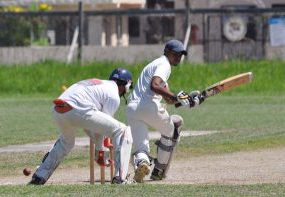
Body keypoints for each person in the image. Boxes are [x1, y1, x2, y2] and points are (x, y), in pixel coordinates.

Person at [29, 68, 134, 185]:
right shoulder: (113, 95)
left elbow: (94, 126)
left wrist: (99, 151)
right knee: (123, 131)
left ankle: (39, 176)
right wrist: (100, 152)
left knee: (66, 143)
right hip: (79, 108)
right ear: (126, 85)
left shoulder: (102, 85)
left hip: (59, 109)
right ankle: (120, 179)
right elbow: (102, 130)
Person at [126, 39, 204, 183]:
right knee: (174, 127)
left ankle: (142, 164)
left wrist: (190, 100)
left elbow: (169, 99)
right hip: (148, 106)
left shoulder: (155, 64)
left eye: (181, 55)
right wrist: (177, 97)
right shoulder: (164, 64)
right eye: (176, 54)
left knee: (141, 146)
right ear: (167, 52)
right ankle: (159, 170)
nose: (178, 57)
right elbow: (155, 86)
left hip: (132, 109)